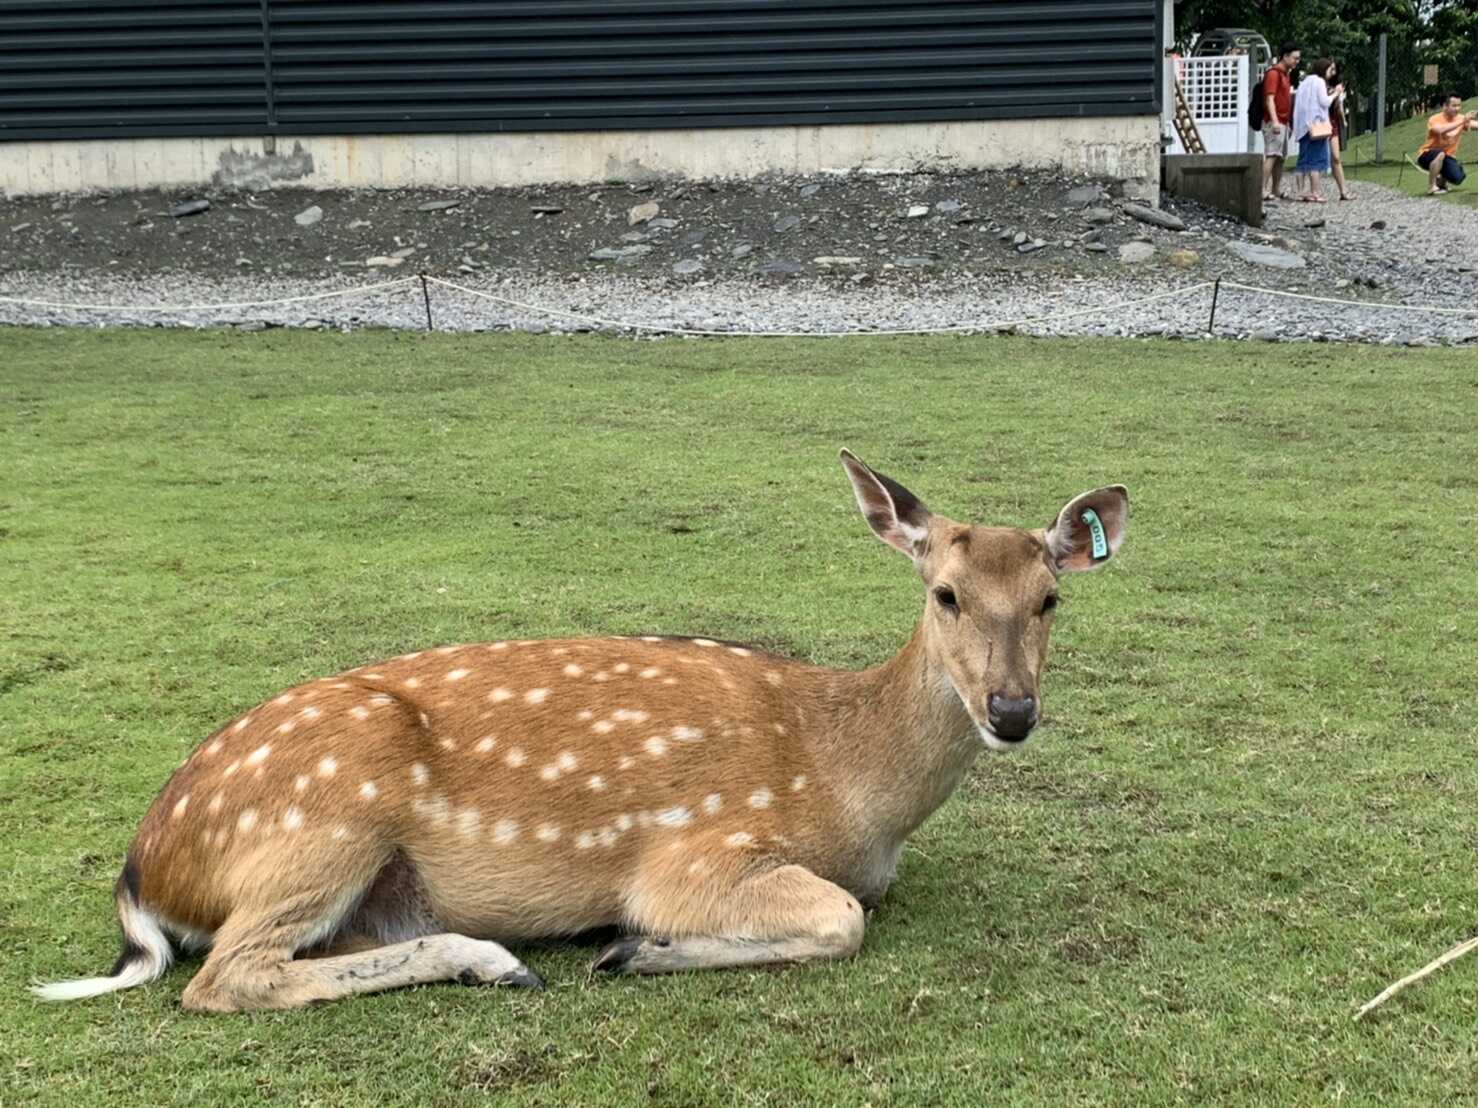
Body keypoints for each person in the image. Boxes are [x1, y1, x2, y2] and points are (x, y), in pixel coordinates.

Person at [1292, 58, 1342, 203]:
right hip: (1317, 126)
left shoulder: (1304, 82)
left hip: (1303, 126)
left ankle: (1300, 192)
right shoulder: (1319, 82)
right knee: (1317, 161)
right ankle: (1315, 192)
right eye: (1329, 70)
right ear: (1323, 69)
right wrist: (1335, 93)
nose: (1330, 74)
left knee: (1303, 161)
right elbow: (1324, 102)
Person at [1417, 92, 1478, 195]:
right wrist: (1463, 121)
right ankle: (1432, 187)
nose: (1457, 109)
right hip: (1426, 155)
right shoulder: (1434, 119)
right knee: (1440, 154)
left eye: (1459, 105)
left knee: (1458, 178)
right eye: (1454, 106)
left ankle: (1441, 182)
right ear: (1444, 106)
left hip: (1447, 157)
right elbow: (1440, 130)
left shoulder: (1461, 119)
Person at [1261, 43, 1300, 201]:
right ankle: (1261, 189)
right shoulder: (1273, 74)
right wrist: (1275, 121)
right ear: (1285, 56)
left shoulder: (1286, 74)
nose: (1297, 61)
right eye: (1295, 58)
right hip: (1274, 121)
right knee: (1271, 154)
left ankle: (1275, 188)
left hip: (1284, 121)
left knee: (1280, 157)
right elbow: (1270, 98)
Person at [1327, 64, 1355, 201]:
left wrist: (1343, 119)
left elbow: (1339, 105)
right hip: (1321, 122)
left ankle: (1343, 190)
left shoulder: (1338, 87)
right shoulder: (1320, 84)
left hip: (1332, 122)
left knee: (1336, 157)